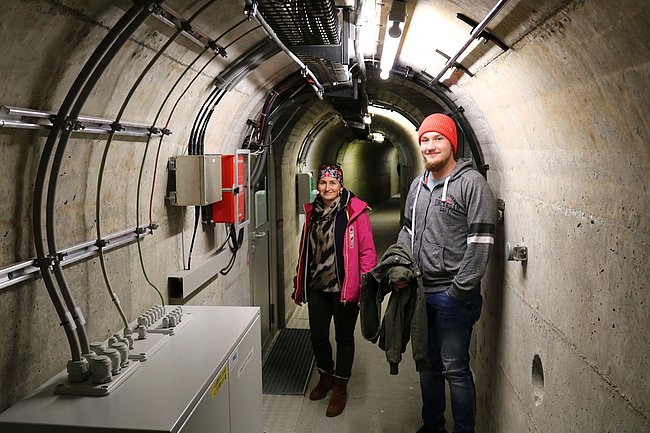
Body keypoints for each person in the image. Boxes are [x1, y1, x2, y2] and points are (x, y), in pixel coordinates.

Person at [396, 113, 496, 433]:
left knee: (455, 369)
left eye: (438, 138)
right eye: (424, 140)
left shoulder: (472, 184)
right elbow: (407, 231)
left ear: (452, 142)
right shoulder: (418, 185)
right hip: (420, 292)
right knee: (427, 366)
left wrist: (458, 291)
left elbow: (480, 243)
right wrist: (401, 265)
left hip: (454, 295)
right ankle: (432, 426)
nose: (430, 146)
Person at [292, 163, 377, 417]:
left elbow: (367, 253)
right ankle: (326, 375)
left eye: (332, 182)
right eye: (323, 182)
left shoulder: (355, 212)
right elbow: (305, 251)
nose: (327, 187)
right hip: (317, 287)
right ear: (317, 185)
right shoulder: (313, 213)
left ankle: (340, 385)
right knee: (318, 336)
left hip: (344, 289)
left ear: (341, 185)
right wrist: (299, 281)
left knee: (344, 338)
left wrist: (365, 288)